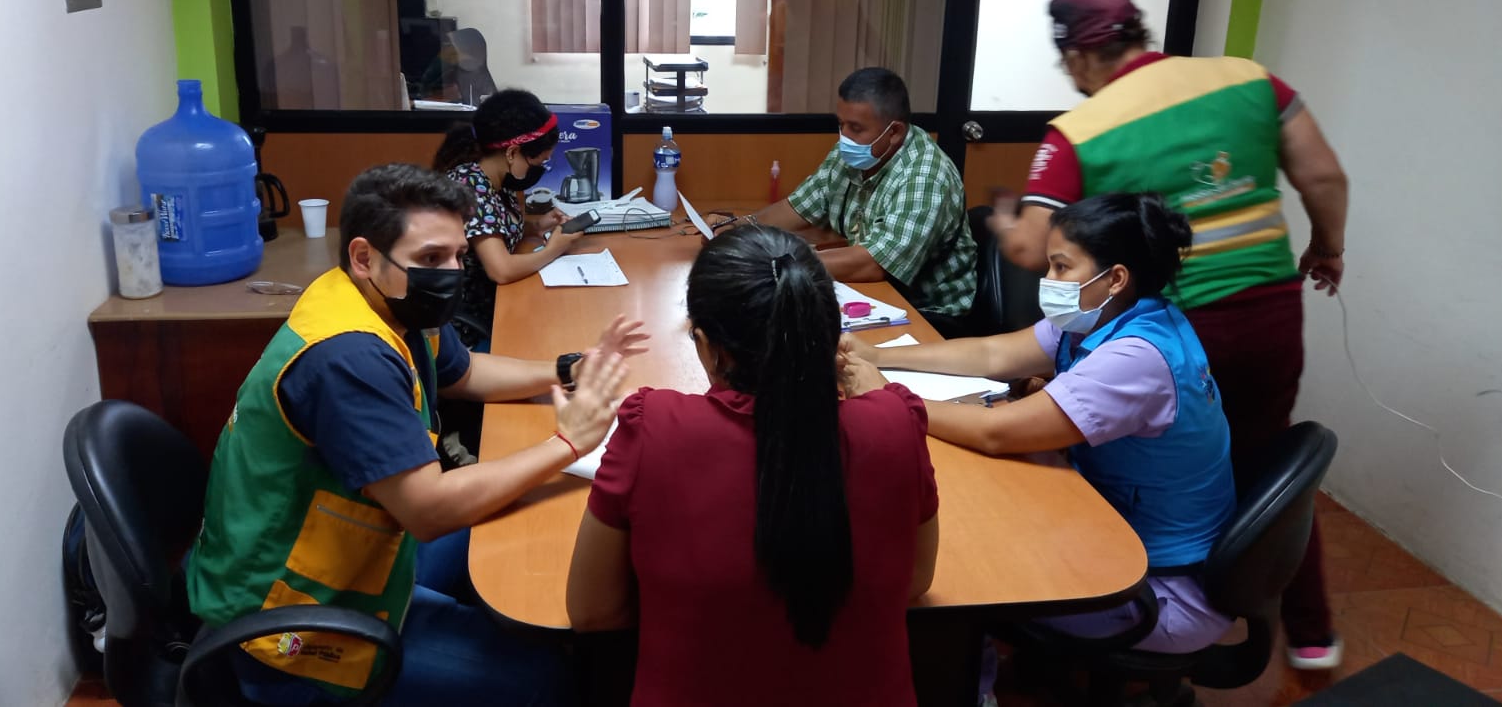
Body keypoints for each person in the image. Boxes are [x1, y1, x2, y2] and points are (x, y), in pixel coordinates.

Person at [185, 163, 648, 707]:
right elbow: (428, 511)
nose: (450, 273)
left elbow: (464, 373)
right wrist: (566, 444)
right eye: (431, 259)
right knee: (546, 678)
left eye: (457, 255)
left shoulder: (387, 300)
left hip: (356, 545)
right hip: (291, 620)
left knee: (519, 529)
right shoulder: (349, 356)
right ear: (364, 257)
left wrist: (566, 369)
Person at [993, 0, 1349, 669]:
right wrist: (1327, 247)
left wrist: (1007, 223)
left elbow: (1034, 248)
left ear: (1076, 57)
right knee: (1267, 460)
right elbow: (1325, 178)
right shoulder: (1249, 81)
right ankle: (1308, 630)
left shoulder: (1080, 132)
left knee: (1133, 454)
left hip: (1174, 332)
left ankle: (1127, 589)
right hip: (1270, 314)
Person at [842, 193, 1236, 702]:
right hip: (1117, 531)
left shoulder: (1137, 357)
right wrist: (878, 355)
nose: (1048, 279)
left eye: (1062, 266)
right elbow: (992, 353)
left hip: (1159, 591)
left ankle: (971, 692)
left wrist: (889, 398)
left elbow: (996, 432)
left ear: (1115, 278)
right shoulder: (1108, 316)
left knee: (962, 572)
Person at [566, 224, 940, 707]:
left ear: (708, 345)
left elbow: (593, 612)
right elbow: (915, 582)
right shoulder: (896, 423)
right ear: (829, 338)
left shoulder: (655, 429)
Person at [751, 66, 979, 338]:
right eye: (841, 124)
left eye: (855, 128)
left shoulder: (926, 176)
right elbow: (799, 207)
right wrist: (738, 229)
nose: (844, 137)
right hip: (876, 298)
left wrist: (779, 263)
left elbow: (873, 264)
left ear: (894, 132)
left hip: (928, 317)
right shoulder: (857, 152)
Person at [432, 89, 584, 351]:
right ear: (512, 152)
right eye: (539, 162)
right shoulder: (471, 188)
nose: (540, 169)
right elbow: (500, 269)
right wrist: (554, 249)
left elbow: (492, 231)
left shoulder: (495, 178)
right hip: (467, 331)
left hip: (497, 304)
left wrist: (536, 226)